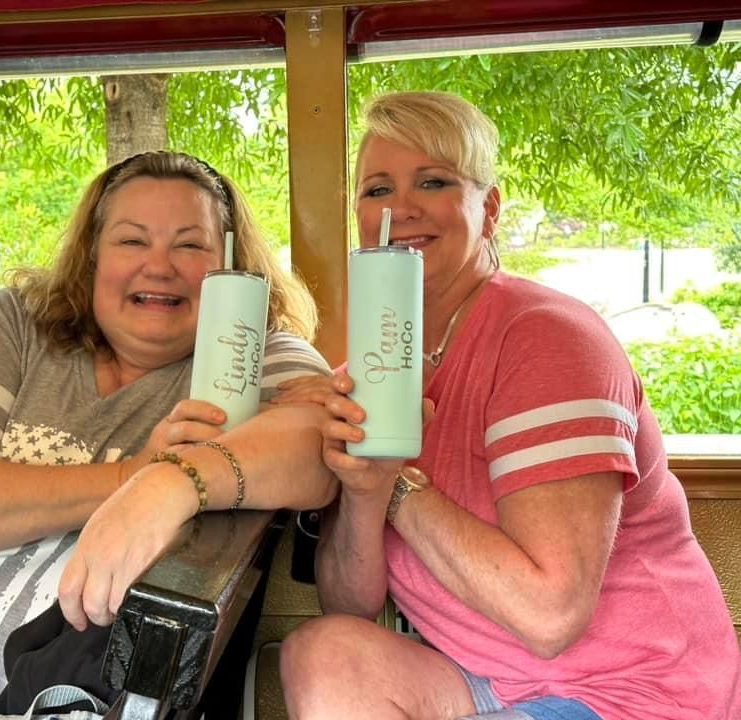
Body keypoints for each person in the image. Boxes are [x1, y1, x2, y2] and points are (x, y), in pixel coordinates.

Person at [0, 151, 338, 719]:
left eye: (190, 245)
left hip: (51, 692)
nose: (159, 266)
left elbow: (317, 451)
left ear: (231, 263)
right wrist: (130, 478)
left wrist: (174, 482)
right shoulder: (19, 323)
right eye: (132, 240)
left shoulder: (252, 350)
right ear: (92, 256)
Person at [274, 92, 740, 720]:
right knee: (322, 655)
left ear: (488, 210)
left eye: (433, 182)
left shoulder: (547, 341)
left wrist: (399, 484)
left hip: (629, 692)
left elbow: (549, 617)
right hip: (491, 677)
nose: (401, 208)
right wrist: (364, 489)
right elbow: (349, 606)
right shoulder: (368, 378)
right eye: (377, 190)